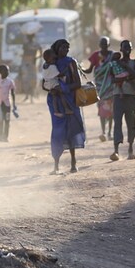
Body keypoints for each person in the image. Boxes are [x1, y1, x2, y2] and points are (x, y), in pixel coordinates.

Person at [46, 39, 85, 174]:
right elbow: (44, 82)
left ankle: (73, 162)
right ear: (57, 48)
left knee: (71, 129)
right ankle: (56, 164)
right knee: (57, 130)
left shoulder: (71, 62)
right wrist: (52, 90)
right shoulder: (51, 62)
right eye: (63, 47)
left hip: (70, 100)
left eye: (67, 48)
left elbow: (77, 84)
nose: (66, 50)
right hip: (54, 100)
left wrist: (64, 89)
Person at [109, 40, 135, 161]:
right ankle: (116, 151)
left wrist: (125, 69)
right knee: (117, 123)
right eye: (125, 47)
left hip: (130, 96)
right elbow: (111, 79)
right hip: (118, 96)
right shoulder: (114, 63)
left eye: (129, 47)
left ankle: (130, 149)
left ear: (131, 49)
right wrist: (125, 77)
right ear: (121, 49)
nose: (127, 49)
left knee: (131, 123)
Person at [83, 36, 114, 142]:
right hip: (100, 87)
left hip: (111, 86)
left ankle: (110, 132)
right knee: (102, 109)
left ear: (109, 45)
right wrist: (79, 69)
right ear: (99, 45)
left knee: (111, 111)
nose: (104, 46)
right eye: (102, 44)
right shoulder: (95, 55)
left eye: (106, 44)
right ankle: (103, 132)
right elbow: (89, 70)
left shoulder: (113, 55)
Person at [41, 49, 73, 118]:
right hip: (53, 83)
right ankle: (66, 108)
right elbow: (59, 75)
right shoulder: (52, 67)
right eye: (53, 59)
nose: (55, 60)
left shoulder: (44, 65)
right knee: (62, 94)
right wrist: (66, 69)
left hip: (47, 84)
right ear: (50, 59)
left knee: (55, 96)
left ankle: (56, 111)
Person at [0, 64, 17, 142]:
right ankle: (0, 135)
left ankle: (5, 136)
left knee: (7, 120)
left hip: (7, 104)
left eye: (8, 70)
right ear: (1, 72)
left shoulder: (10, 81)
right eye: (6, 70)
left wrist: (14, 104)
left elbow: (12, 93)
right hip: (0, 104)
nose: (8, 72)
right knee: (1, 120)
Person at [20, 33, 42, 103]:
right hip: (26, 63)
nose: (29, 38)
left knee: (33, 79)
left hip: (32, 63)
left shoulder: (36, 44)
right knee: (26, 79)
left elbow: (40, 53)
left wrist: (36, 58)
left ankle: (32, 96)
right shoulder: (26, 45)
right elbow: (24, 53)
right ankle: (27, 96)